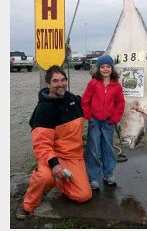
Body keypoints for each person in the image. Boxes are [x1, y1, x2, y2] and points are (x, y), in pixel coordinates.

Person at [16, 65, 92, 219]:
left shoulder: (75, 100)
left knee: (83, 195)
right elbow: (41, 144)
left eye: (63, 80)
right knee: (45, 177)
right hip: (51, 156)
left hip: (73, 157)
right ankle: (27, 205)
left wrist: (99, 78)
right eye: (55, 81)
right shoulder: (43, 109)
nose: (60, 84)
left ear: (67, 81)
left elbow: (96, 104)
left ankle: (58, 180)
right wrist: (54, 164)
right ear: (48, 84)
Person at [81, 55, 125, 190]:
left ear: (112, 68)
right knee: (93, 149)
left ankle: (108, 174)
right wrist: (89, 116)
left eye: (108, 67)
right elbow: (85, 100)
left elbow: (120, 103)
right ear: (98, 69)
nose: (105, 69)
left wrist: (114, 119)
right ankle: (93, 177)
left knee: (108, 148)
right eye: (102, 67)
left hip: (108, 122)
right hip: (94, 121)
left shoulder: (116, 86)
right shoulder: (93, 83)